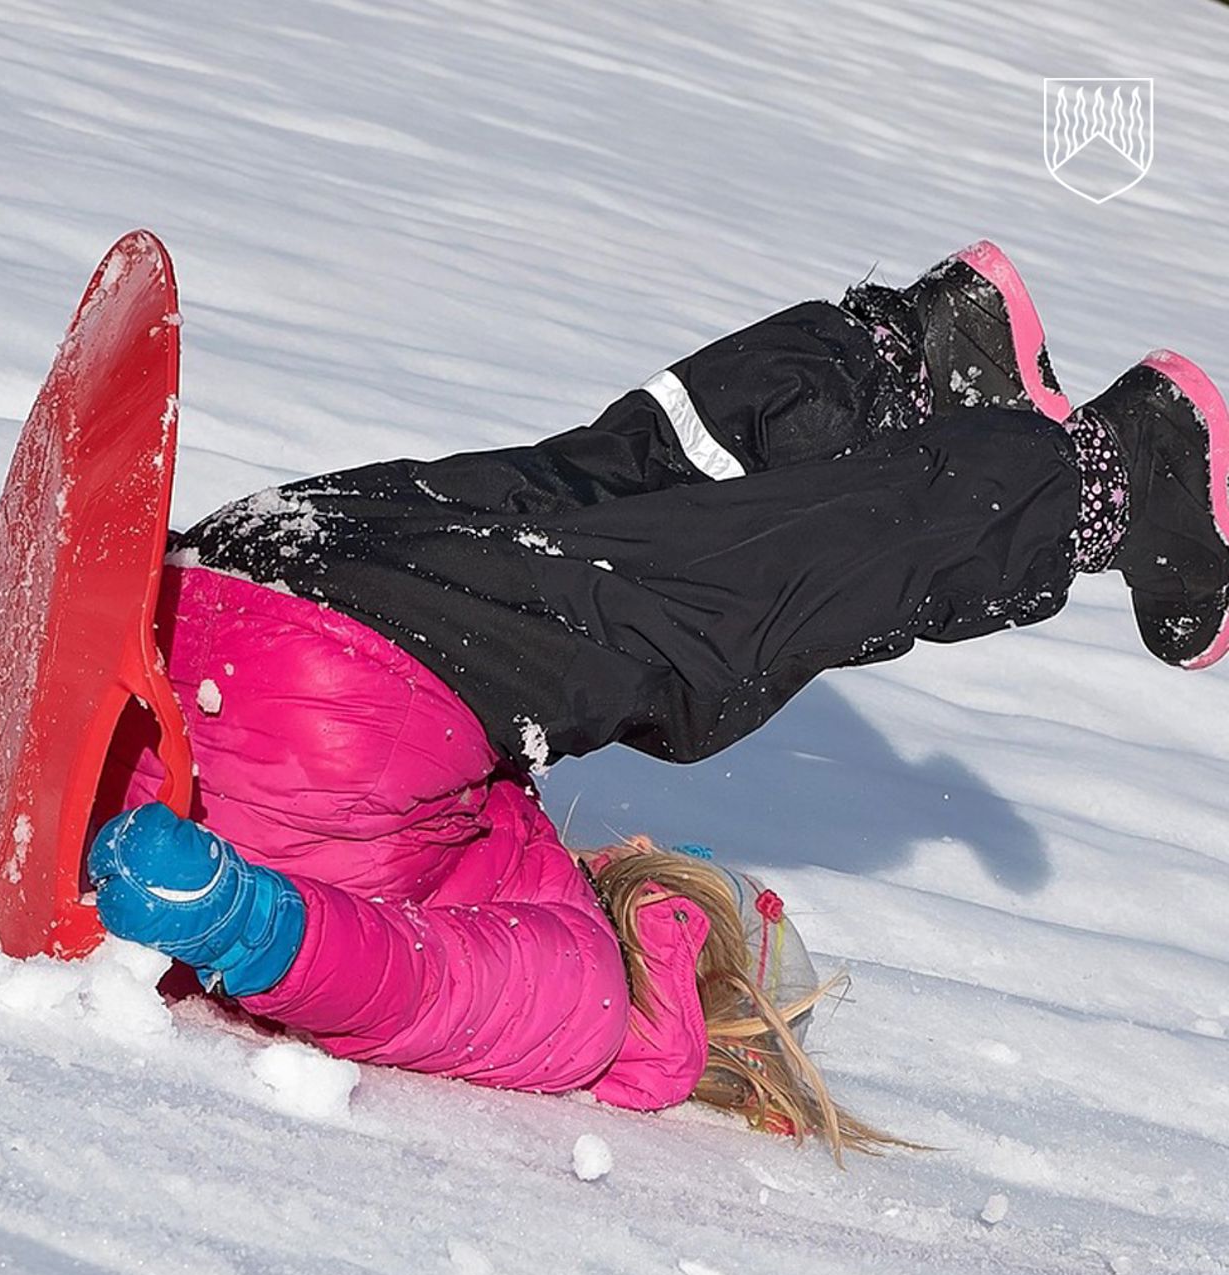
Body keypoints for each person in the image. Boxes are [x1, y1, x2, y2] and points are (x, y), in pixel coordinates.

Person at [88, 241, 1229, 1160]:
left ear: (687, 951)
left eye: (687, 877)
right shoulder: (531, 910)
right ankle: (958, 391)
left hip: (292, 632)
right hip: (253, 608)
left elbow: (398, 981)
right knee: (614, 532)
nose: (638, 842)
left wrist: (238, 919)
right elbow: (405, 962)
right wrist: (217, 905)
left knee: (698, 582)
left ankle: (1044, 433)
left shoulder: (589, 1007)